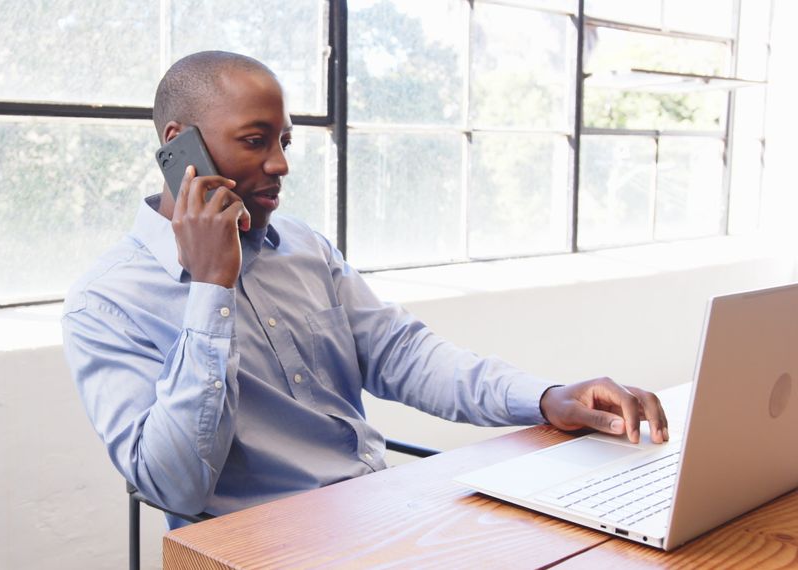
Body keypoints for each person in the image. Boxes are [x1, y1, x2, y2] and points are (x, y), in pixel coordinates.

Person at [61, 50, 668, 527]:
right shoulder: (106, 305)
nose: (280, 165)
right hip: (258, 545)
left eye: (285, 142)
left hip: (376, 515)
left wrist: (548, 398)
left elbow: (406, 356)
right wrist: (210, 288)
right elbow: (175, 486)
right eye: (256, 140)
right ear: (178, 145)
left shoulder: (304, 248)